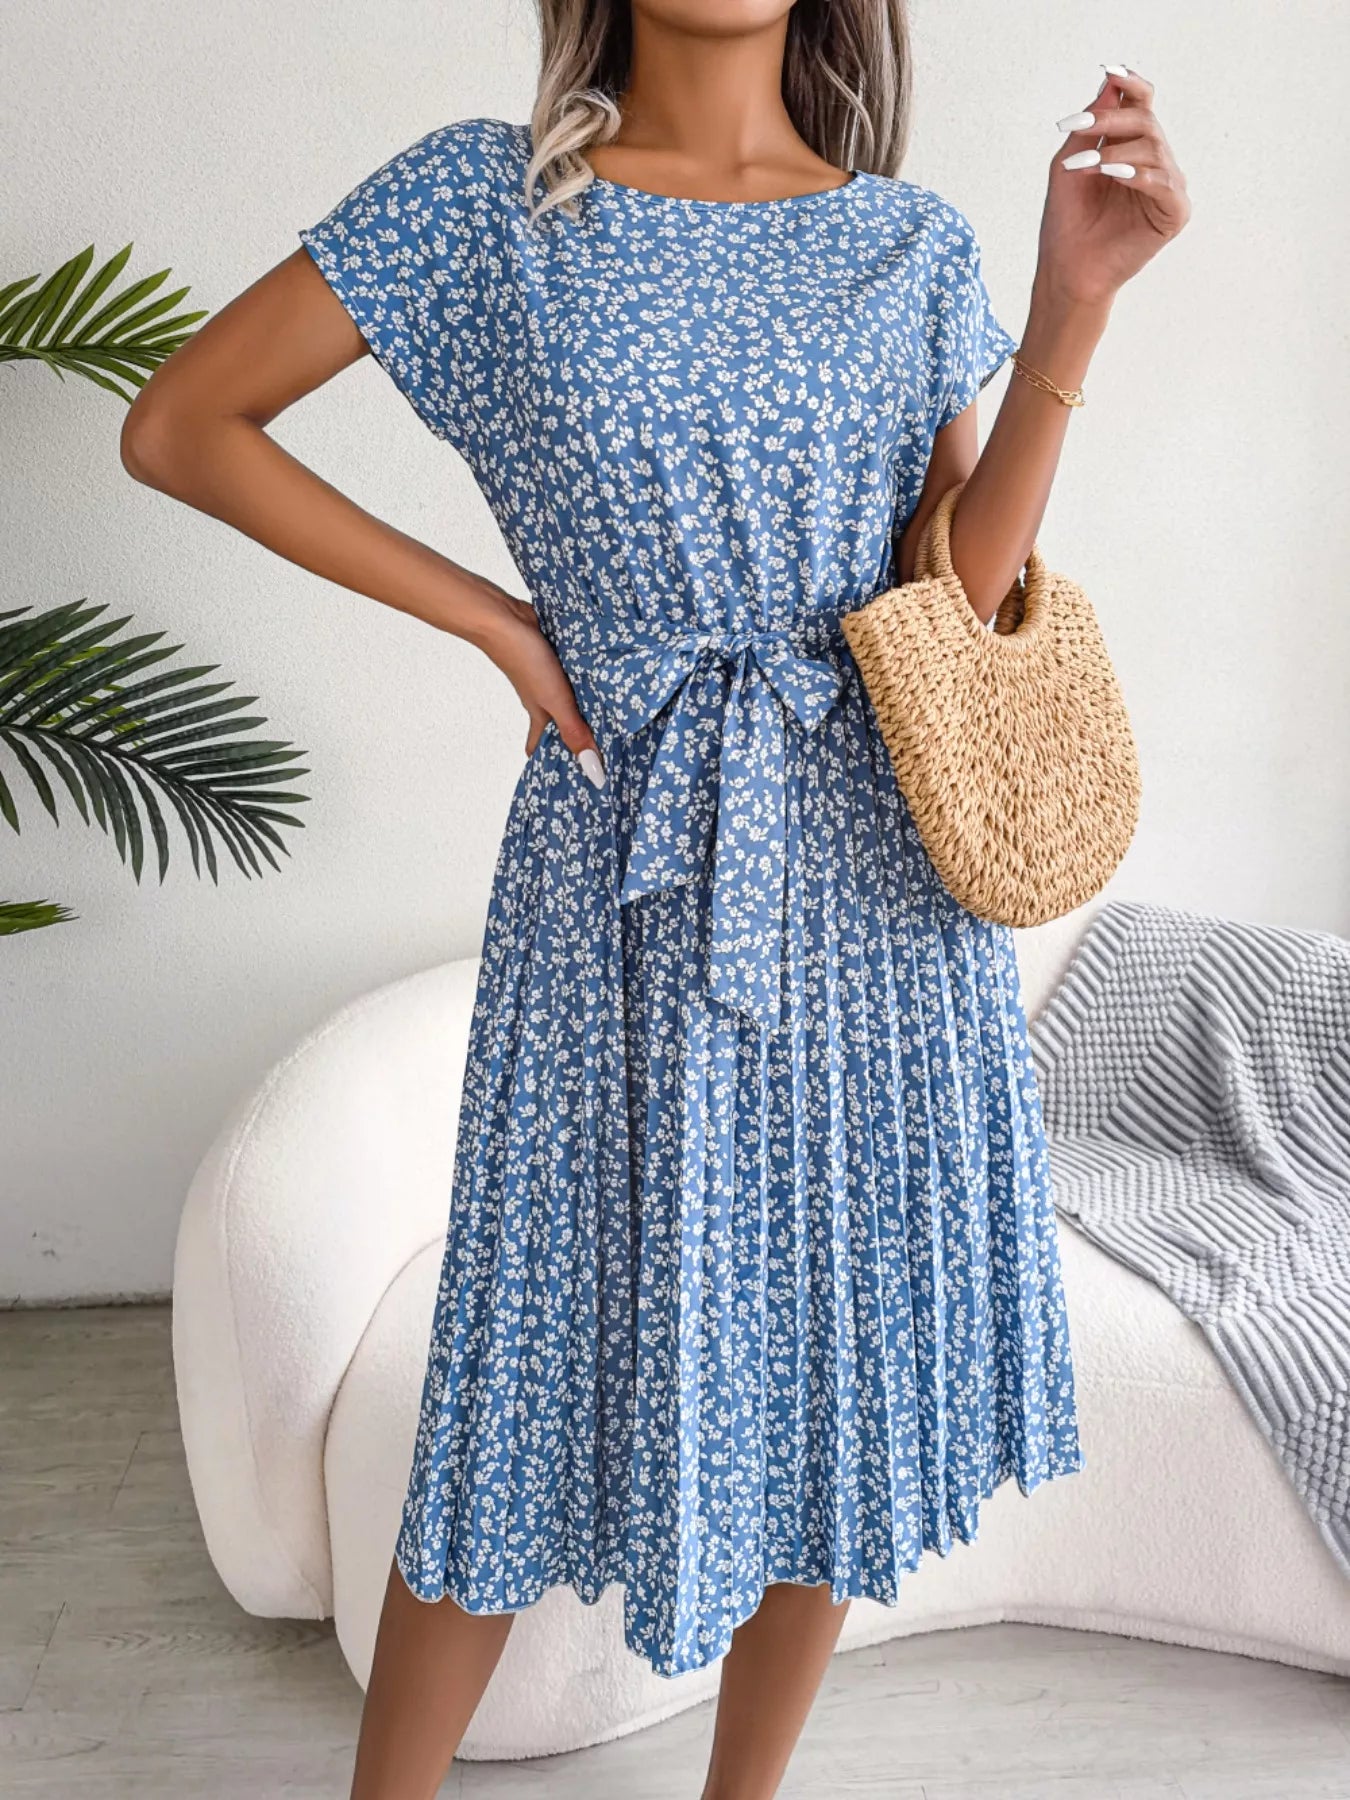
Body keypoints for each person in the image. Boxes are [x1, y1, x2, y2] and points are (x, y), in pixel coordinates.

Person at [122, 3, 1189, 1795]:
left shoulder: (903, 244)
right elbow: (180, 426)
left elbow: (951, 590)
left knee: (826, 1373)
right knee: (519, 1368)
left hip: (878, 895)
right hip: (618, 861)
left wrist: (1071, 302)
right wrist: (490, 616)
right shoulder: (486, 204)